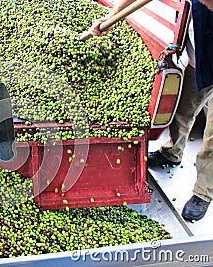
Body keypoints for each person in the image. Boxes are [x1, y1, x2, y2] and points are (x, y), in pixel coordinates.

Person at [88, 0, 213, 221]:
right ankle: (171, 153)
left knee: (212, 140)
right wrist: (111, 19)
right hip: (201, 56)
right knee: (182, 110)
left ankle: (203, 193)